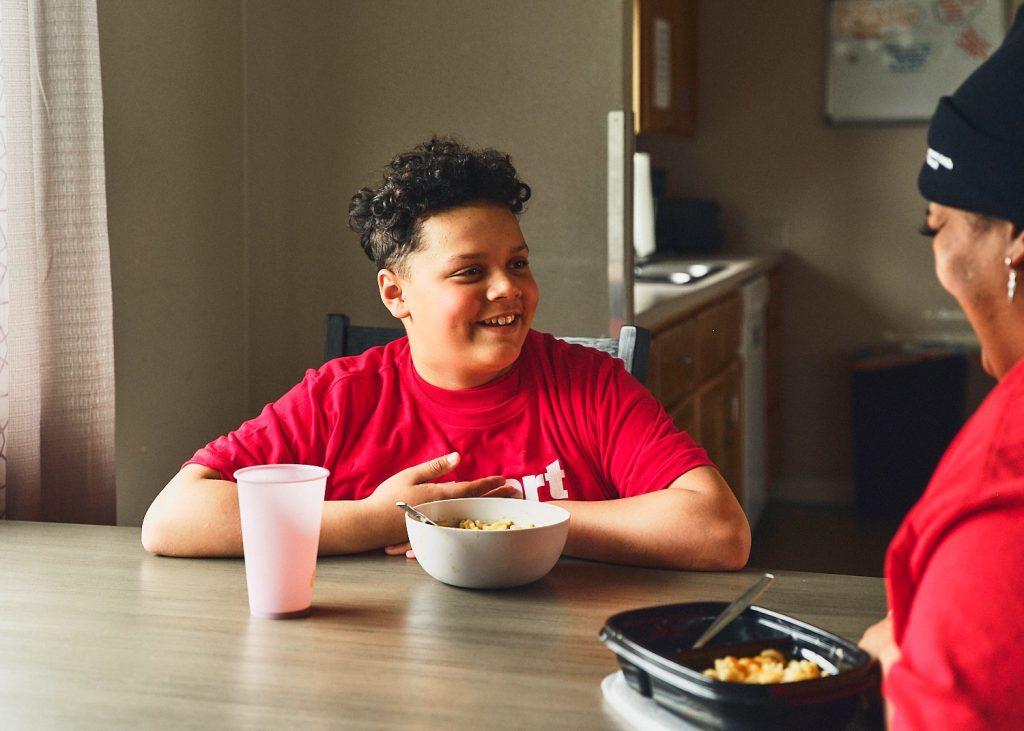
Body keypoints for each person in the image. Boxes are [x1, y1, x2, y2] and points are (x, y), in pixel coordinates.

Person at [141, 137, 750, 571]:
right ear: (395, 293)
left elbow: (718, 532)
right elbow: (173, 518)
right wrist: (378, 520)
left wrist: (491, 524)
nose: (508, 288)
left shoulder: (588, 385)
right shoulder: (339, 396)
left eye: (517, 263)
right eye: (469, 272)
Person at [858, 9, 1024, 728]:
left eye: (939, 223)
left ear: (1014, 238)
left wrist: (896, 662)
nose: (938, 255)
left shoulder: (1006, 481)